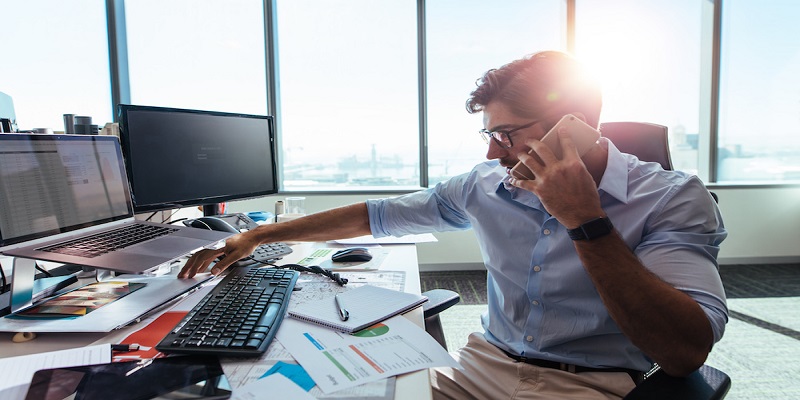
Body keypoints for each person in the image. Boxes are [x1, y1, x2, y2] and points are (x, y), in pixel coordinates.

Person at [179, 50, 728, 399]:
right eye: (489, 134)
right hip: (480, 365)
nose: (494, 150)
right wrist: (254, 235)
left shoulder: (672, 199)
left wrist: (584, 219)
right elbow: (378, 215)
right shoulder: (485, 183)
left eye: (508, 133)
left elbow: (684, 351)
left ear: (576, 126)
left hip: (593, 384)